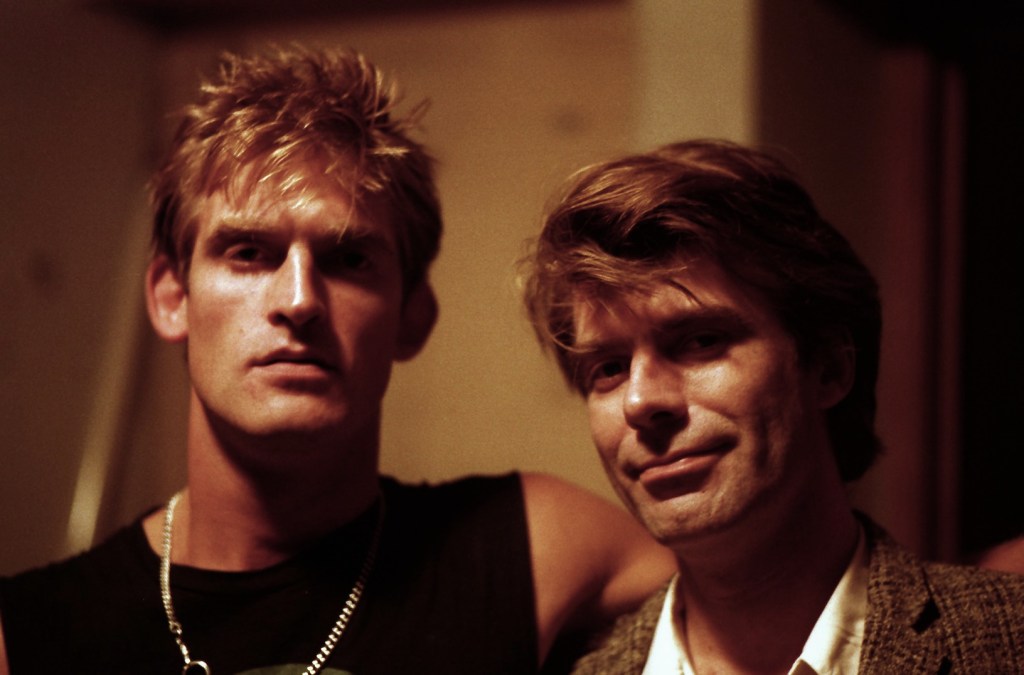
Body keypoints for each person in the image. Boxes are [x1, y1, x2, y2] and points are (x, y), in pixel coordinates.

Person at [0, 46, 674, 674]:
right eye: (249, 253)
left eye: (349, 259)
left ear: (413, 316)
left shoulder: (536, 548)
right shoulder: (30, 634)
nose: (299, 300)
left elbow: (734, 602)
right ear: (172, 296)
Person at [521, 139, 1024, 674]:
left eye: (701, 341)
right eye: (608, 369)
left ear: (828, 367)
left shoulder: (1007, 643)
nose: (641, 401)